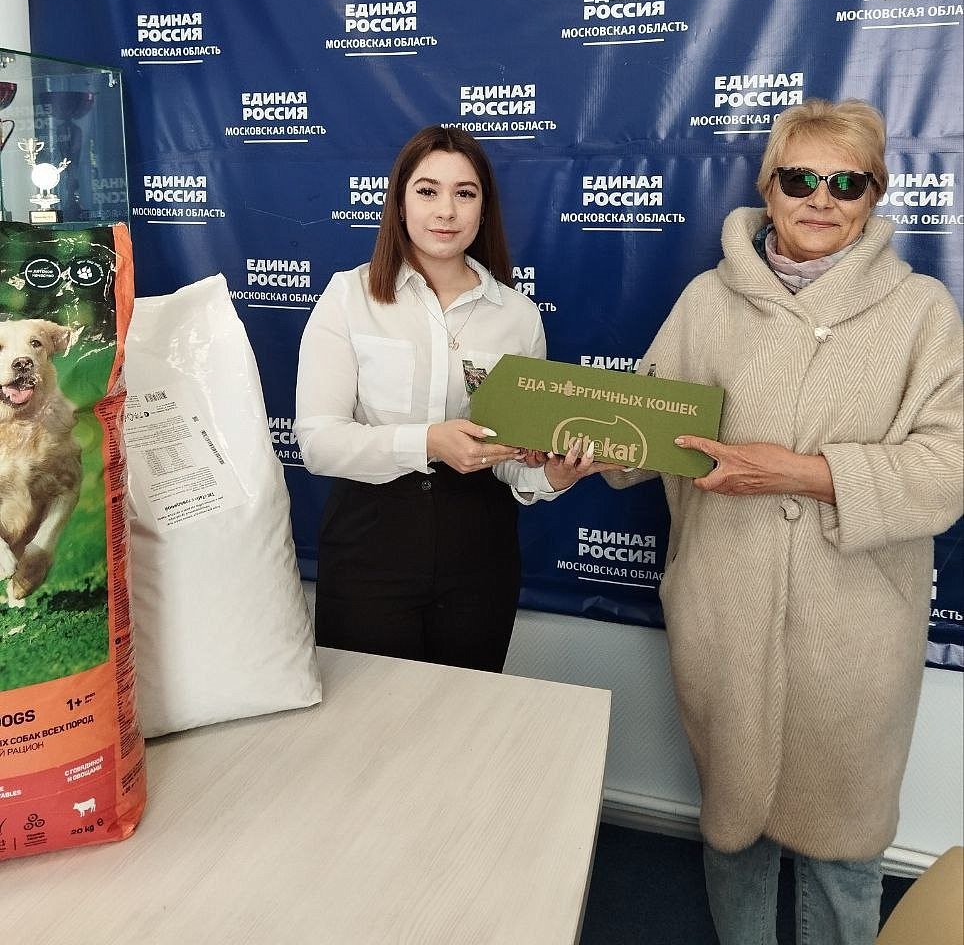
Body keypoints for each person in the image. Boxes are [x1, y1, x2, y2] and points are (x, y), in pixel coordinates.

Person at [607, 99, 963, 945]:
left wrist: (802, 473)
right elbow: (644, 435)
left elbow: (949, 468)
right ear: (768, 188)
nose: (821, 199)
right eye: (800, 179)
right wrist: (588, 447)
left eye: (847, 182)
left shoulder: (922, 312)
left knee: (845, 852)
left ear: (874, 195)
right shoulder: (707, 301)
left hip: (856, 626)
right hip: (724, 607)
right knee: (734, 831)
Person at [295, 125, 609, 672]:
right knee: (366, 717)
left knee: (467, 716)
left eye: (465, 193)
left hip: (480, 557)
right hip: (370, 548)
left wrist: (552, 475)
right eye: (427, 191)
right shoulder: (349, 296)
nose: (446, 210)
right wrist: (430, 443)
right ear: (399, 204)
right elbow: (319, 444)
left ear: (484, 209)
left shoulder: (517, 316)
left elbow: (512, 458)